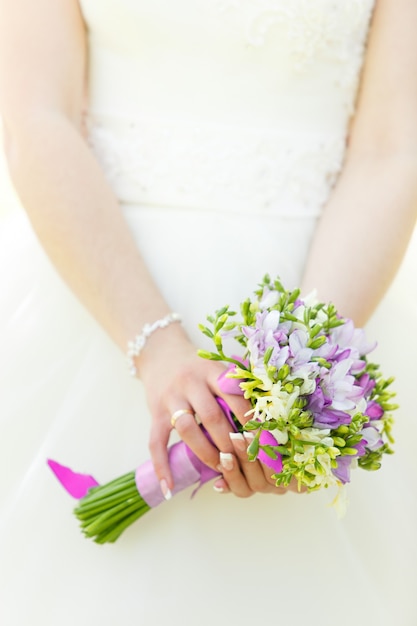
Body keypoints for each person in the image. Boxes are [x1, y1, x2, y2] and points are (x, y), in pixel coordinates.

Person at [0, 1, 416, 624]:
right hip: (96, 291)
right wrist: (155, 345)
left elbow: (391, 149)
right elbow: (38, 114)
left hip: (330, 285)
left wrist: (301, 383)